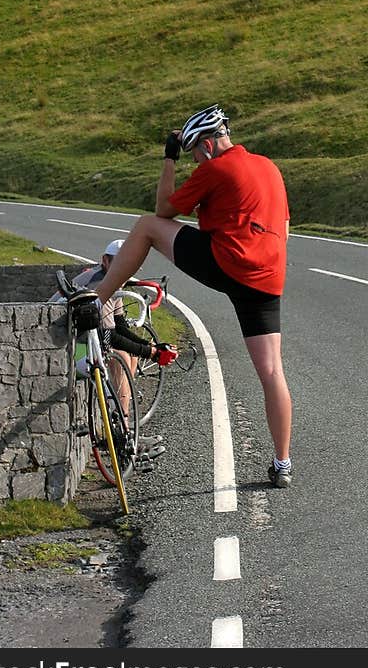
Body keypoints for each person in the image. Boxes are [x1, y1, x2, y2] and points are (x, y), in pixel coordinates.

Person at [90, 105, 294, 488]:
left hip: (228, 261)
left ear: (208, 144)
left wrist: (169, 158)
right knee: (272, 372)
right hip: (266, 279)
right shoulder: (269, 167)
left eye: (195, 152)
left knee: (148, 227)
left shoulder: (216, 167)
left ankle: (98, 298)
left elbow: (164, 209)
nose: (195, 160)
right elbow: (284, 225)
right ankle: (282, 464)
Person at [73, 239, 175, 459]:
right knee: (118, 356)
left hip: (84, 342)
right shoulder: (99, 286)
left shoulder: (114, 281)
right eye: (119, 263)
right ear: (105, 261)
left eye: (129, 263)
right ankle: (127, 438)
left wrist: (151, 347)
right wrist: (151, 353)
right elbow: (108, 337)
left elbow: (118, 326)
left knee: (131, 358)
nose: (125, 268)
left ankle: (127, 431)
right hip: (67, 349)